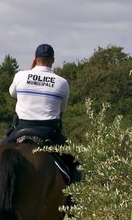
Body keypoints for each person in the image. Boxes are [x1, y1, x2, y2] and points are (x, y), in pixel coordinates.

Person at [7, 43, 81, 183]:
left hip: (20, 129)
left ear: (35, 59)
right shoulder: (62, 83)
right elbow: (61, 112)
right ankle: (73, 202)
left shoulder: (20, 75)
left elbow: (12, 94)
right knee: (75, 163)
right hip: (49, 132)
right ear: (53, 60)